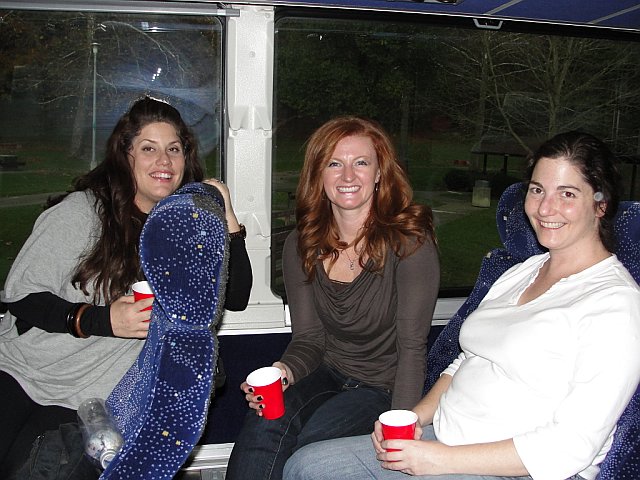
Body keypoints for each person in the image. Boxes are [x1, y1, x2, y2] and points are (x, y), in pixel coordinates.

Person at [283, 131, 640, 480]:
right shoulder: (522, 272)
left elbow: (569, 447)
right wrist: (415, 418)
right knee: (305, 465)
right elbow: (465, 361)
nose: (546, 208)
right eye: (537, 190)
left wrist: (436, 459)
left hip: (513, 466)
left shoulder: (615, 304)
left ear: (601, 204)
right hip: (445, 437)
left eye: (567, 193)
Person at [0, 96, 252, 476]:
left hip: (90, 400)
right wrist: (103, 320)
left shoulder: (185, 230)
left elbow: (236, 297)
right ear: (125, 155)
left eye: (174, 149)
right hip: (23, 372)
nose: (164, 161)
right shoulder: (82, 212)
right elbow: (22, 297)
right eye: (149, 149)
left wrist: (226, 215)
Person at [226, 116, 440, 480]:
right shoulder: (301, 244)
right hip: (326, 371)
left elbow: (411, 348)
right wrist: (283, 372)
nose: (348, 175)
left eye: (361, 162)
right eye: (334, 164)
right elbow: (309, 339)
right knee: (264, 423)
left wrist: (399, 428)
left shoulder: (410, 245)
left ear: (379, 173)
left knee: (311, 448)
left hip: (382, 386)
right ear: (318, 175)